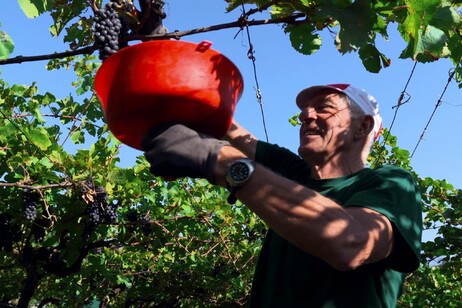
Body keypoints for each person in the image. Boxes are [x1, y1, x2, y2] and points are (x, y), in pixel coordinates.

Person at [142, 83, 423, 307]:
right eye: (305, 113)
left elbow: (351, 245)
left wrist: (223, 162)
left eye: (324, 108)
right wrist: (167, 55)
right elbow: (224, 123)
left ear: (362, 126)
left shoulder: (391, 182)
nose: (306, 116)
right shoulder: (294, 173)